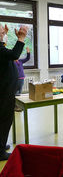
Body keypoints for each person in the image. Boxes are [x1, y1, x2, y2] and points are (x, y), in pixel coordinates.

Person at [0, 24, 27, 161]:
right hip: (3, 93)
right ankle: (0, 152)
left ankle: (1, 145)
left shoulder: (1, 48)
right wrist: (21, 38)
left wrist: (3, 36)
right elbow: (14, 54)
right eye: (1, 29)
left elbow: (6, 52)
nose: (3, 30)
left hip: (5, 90)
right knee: (4, 120)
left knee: (4, 120)